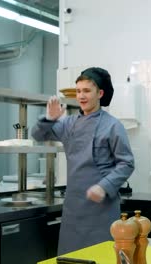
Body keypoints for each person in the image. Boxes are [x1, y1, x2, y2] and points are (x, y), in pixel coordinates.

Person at [31, 67, 135, 254]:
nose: (81, 96)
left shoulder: (113, 125)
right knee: (71, 257)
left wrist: (104, 186)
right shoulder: (68, 124)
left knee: (102, 256)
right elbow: (38, 135)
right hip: (74, 208)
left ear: (100, 93)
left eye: (87, 91)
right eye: (78, 91)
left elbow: (126, 163)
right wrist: (48, 119)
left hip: (102, 209)